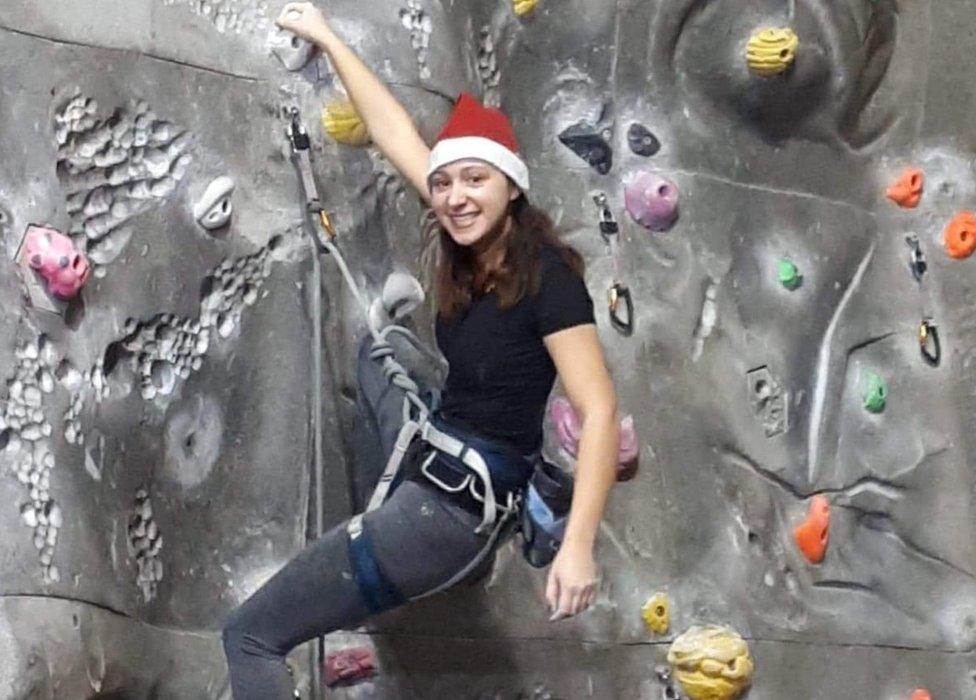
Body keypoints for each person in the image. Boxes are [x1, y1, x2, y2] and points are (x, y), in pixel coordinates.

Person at [222, 3, 620, 696]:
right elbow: (391, 131)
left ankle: (380, 530)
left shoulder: (548, 279)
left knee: (250, 636)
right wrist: (326, 38)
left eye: (476, 181)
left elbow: (601, 412)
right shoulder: (467, 249)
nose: (456, 197)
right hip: (440, 466)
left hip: (446, 514)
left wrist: (579, 545)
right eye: (444, 183)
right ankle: (381, 515)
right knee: (385, 355)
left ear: (511, 187)